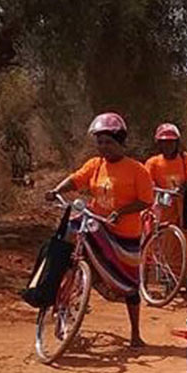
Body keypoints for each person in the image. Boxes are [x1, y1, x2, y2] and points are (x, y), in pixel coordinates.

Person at [45, 112, 152, 347]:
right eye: (100, 142)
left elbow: (146, 200)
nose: (104, 147)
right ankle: (64, 296)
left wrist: (121, 212)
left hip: (125, 236)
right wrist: (57, 190)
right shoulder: (95, 165)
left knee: (129, 284)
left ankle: (135, 333)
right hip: (96, 226)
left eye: (109, 142)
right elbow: (76, 179)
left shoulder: (137, 170)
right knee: (67, 244)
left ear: (120, 142)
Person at [143, 123, 187, 226]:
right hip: (161, 211)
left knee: (186, 238)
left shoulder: (184, 159)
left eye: (171, 142)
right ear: (159, 144)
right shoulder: (153, 163)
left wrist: (181, 188)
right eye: (163, 142)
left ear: (177, 143)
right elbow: (147, 186)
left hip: (184, 211)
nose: (167, 146)